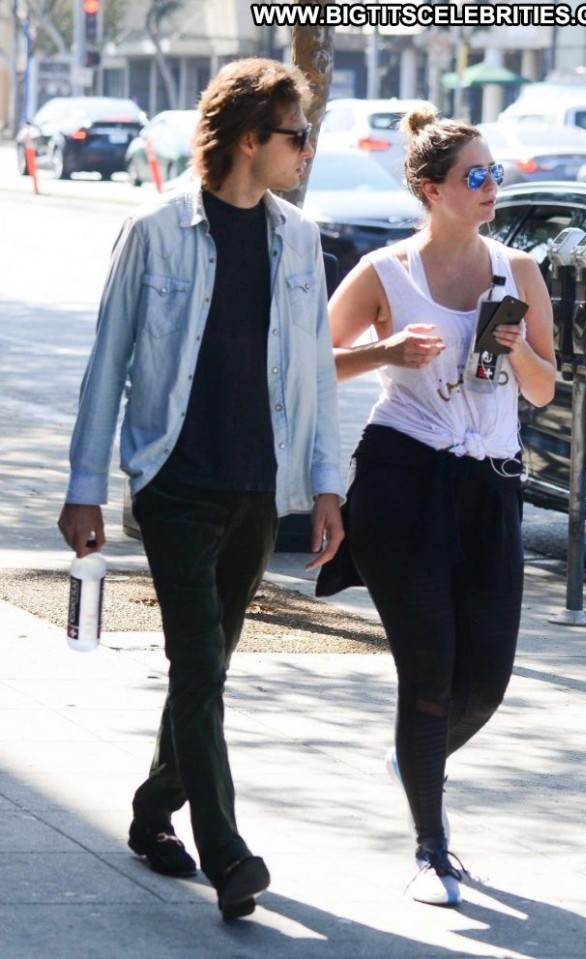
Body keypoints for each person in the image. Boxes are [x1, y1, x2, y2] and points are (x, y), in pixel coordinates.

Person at [58, 57, 344, 922]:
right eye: (296, 135)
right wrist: (84, 487)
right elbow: (108, 362)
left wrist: (327, 486)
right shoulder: (155, 230)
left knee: (205, 668)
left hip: (259, 484)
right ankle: (227, 852)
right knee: (199, 663)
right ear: (250, 138)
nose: (306, 149)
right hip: (175, 481)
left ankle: (153, 811)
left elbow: (317, 371)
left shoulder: (299, 239)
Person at [317, 106, 555, 907]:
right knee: (429, 669)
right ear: (431, 189)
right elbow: (314, 357)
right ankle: (431, 848)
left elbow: (546, 389)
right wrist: (386, 350)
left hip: (490, 486)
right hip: (403, 480)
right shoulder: (386, 271)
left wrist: (516, 351)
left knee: (484, 681)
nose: (491, 186)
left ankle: (416, 757)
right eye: (475, 176)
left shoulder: (519, 272)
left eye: (495, 173)